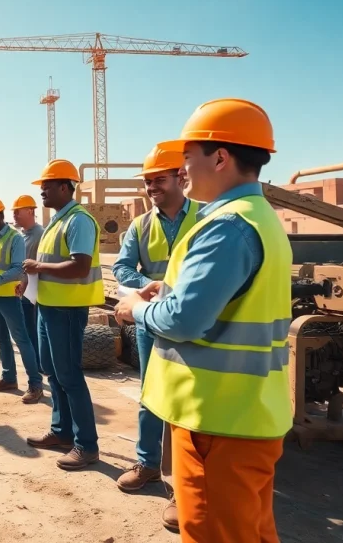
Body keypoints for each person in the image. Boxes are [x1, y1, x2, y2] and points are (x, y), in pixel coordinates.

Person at [114, 99, 290, 542]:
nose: (184, 168)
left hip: (217, 420)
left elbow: (185, 321)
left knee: (215, 532)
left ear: (220, 157)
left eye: (187, 157)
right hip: (243, 414)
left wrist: (136, 308)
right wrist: (165, 290)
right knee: (249, 531)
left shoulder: (227, 226)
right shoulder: (255, 217)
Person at [110, 146, 200, 511]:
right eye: (147, 182)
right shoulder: (141, 225)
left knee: (188, 401)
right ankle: (148, 463)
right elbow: (121, 267)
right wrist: (151, 285)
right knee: (151, 394)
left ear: (181, 176)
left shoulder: (207, 217)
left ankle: (186, 484)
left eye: (158, 179)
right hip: (151, 321)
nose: (151, 187)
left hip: (193, 322)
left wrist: (173, 290)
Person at [23, 159, 104, 470]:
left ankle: (87, 446)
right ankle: (62, 432)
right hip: (48, 306)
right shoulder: (58, 220)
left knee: (69, 375)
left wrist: (38, 268)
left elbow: (79, 266)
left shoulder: (78, 220)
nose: (42, 191)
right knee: (52, 372)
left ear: (65, 187)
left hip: (67, 309)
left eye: (47, 186)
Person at [0, 198, 42, 404]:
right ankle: (9, 378)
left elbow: (17, 268)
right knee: (1, 339)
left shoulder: (15, 238)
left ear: (1, 216)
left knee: (21, 340)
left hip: (8, 298)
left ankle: (35, 385)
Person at [11, 194, 45, 401]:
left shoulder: (40, 234)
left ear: (31, 211)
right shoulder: (20, 236)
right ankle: (37, 365)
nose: (14, 215)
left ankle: (38, 367)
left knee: (32, 331)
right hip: (22, 291)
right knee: (27, 331)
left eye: (17, 211)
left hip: (34, 291)